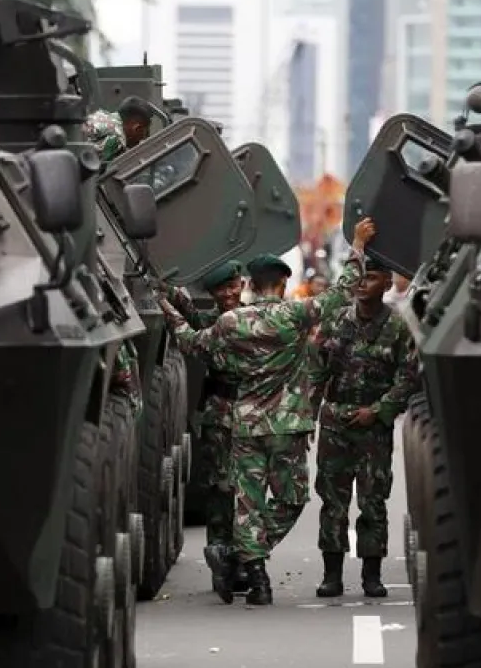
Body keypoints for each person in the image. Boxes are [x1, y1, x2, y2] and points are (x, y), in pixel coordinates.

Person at [159, 219, 378, 606]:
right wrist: (358, 246)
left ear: (250, 284)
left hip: (244, 426)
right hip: (286, 426)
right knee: (291, 500)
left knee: (247, 505)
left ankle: (255, 578)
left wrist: (168, 307)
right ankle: (245, 560)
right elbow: (343, 294)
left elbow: (192, 343)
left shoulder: (230, 322)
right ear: (280, 285)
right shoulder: (294, 316)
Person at [309, 255, 421, 598]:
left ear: (386, 283)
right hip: (336, 423)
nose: (362, 283)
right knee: (332, 500)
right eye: (360, 277)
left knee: (373, 500)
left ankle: (372, 575)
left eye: (371, 278)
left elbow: (408, 376)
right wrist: (307, 415)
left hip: (373, 427)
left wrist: (378, 410)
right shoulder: (337, 320)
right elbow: (317, 369)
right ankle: (332, 574)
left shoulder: (398, 327)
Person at [160, 260, 246, 596]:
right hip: (218, 413)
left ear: (242, 284)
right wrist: (166, 293)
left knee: (247, 491)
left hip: (253, 415)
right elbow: (188, 318)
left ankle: (245, 559)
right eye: (220, 290)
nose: (228, 294)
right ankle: (222, 560)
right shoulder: (212, 322)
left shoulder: (254, 318)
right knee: (219, 489)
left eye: (232, 286)